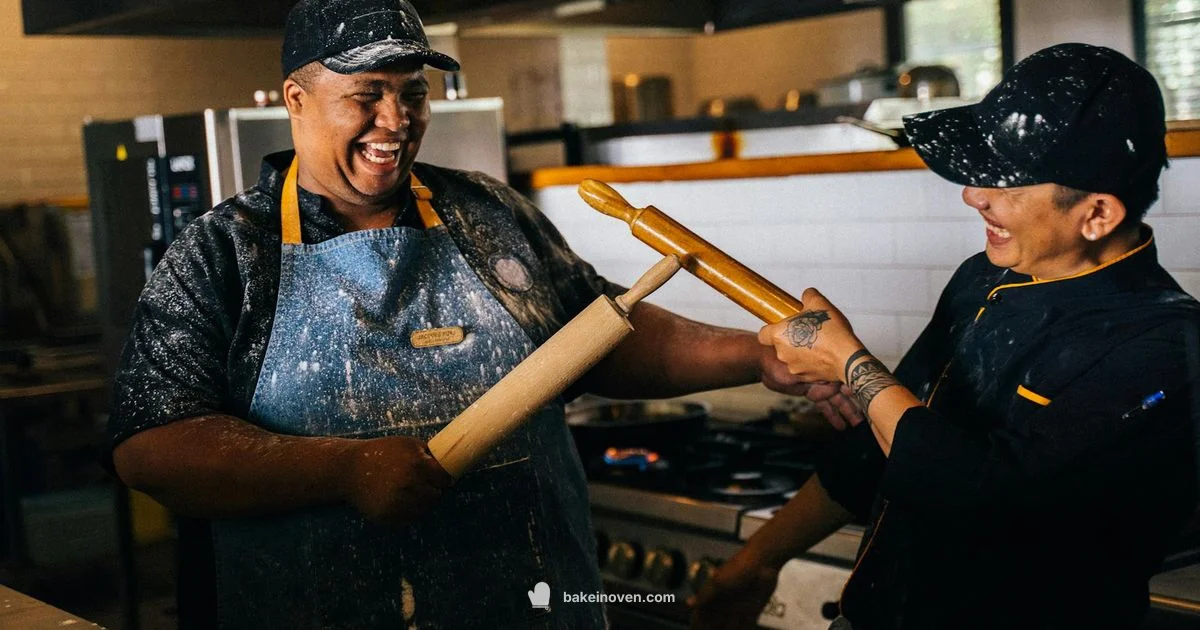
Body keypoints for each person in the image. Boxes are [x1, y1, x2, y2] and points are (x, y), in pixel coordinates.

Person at [104, 1, 823, 628]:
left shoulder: (487, 212)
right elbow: (153, 445)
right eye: (367, 94)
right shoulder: (224, 253)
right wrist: (342, 469)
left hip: (531, 606)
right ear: (296, 99)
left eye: (413, 93)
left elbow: (596, 338)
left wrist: (757, 353)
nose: (396, 120)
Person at [691, 43, 1200, 630]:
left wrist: (849, 362)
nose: (972, 195)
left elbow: (976, 494)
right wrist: (758, 561)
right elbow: (875, 453)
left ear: (1098, 215)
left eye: (1008, 184)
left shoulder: (1162, 347)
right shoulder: (980, 279)